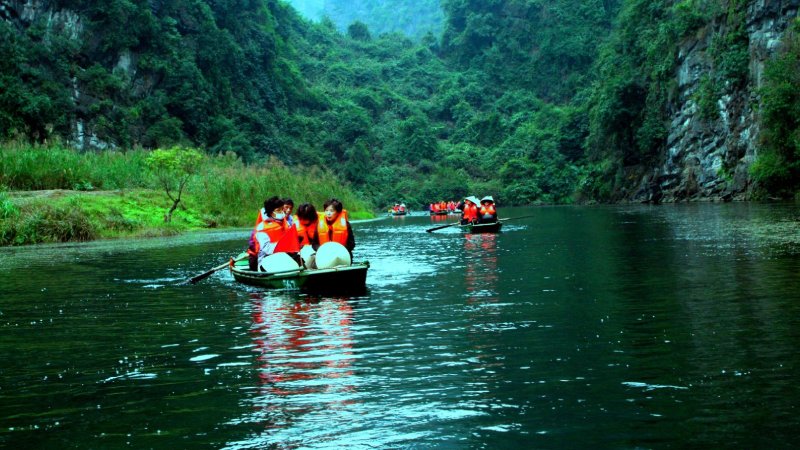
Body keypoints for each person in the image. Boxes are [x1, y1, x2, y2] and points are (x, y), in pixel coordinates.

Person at [247, 196, 299, 270]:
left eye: (281, 209)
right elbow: (266, 249)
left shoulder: (286, 223)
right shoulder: (262, 228)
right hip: (266, 259)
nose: (282, 212)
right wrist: (285, 246)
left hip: (283, 256)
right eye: (278, 210)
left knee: (298, 257)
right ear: (271, 212)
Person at [294, 203, 321, 269]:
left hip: (318, 251)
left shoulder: (321, 222)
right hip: (302, 253)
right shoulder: (293, 223)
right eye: (301, 218)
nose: (302, 220)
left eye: (305, 218)